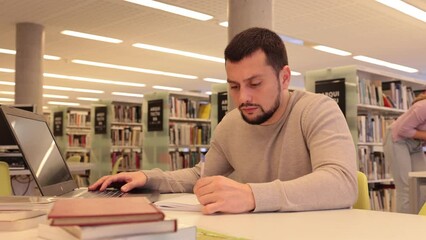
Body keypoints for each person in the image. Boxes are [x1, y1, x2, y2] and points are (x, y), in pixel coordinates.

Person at [89, 27, 357, 214]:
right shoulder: (231, 123)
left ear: (284, 77)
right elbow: (200, 176)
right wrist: (147, 178)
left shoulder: (318, 110)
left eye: (255, 83)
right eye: (235, 86)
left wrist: (251, 196)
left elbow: (341, 183)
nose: (244, 97)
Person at [383, 94, 426, 213]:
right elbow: (403, 129)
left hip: (416, 144)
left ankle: (416, 221)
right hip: (397, 140)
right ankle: (404, 226)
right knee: (406, 188)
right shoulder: (422, 107)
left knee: (423, 185)